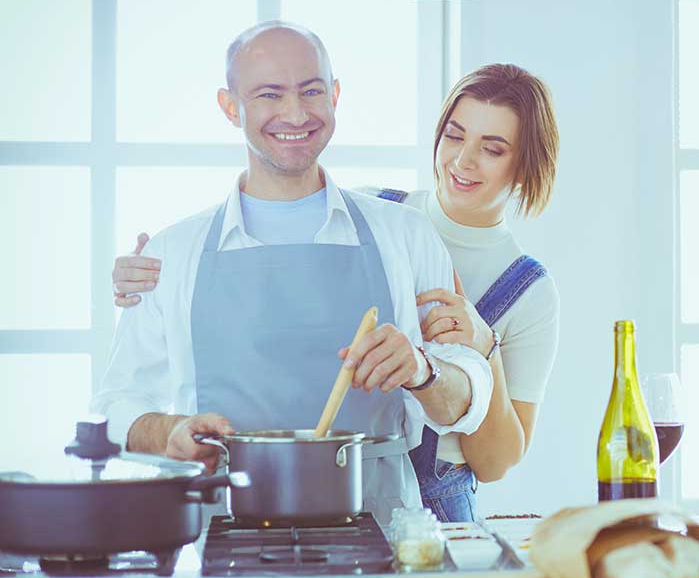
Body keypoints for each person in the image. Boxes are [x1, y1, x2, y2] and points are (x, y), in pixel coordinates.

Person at [111, 63, 560, 522]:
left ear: (525, 167)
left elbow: (496, 462)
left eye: (493, 149)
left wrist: (485, 347)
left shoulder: (527, 290)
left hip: (432, 506)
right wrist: (157, 276)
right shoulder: (374, 216)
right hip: (317, 488)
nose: (463, 161)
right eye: (454, 135)